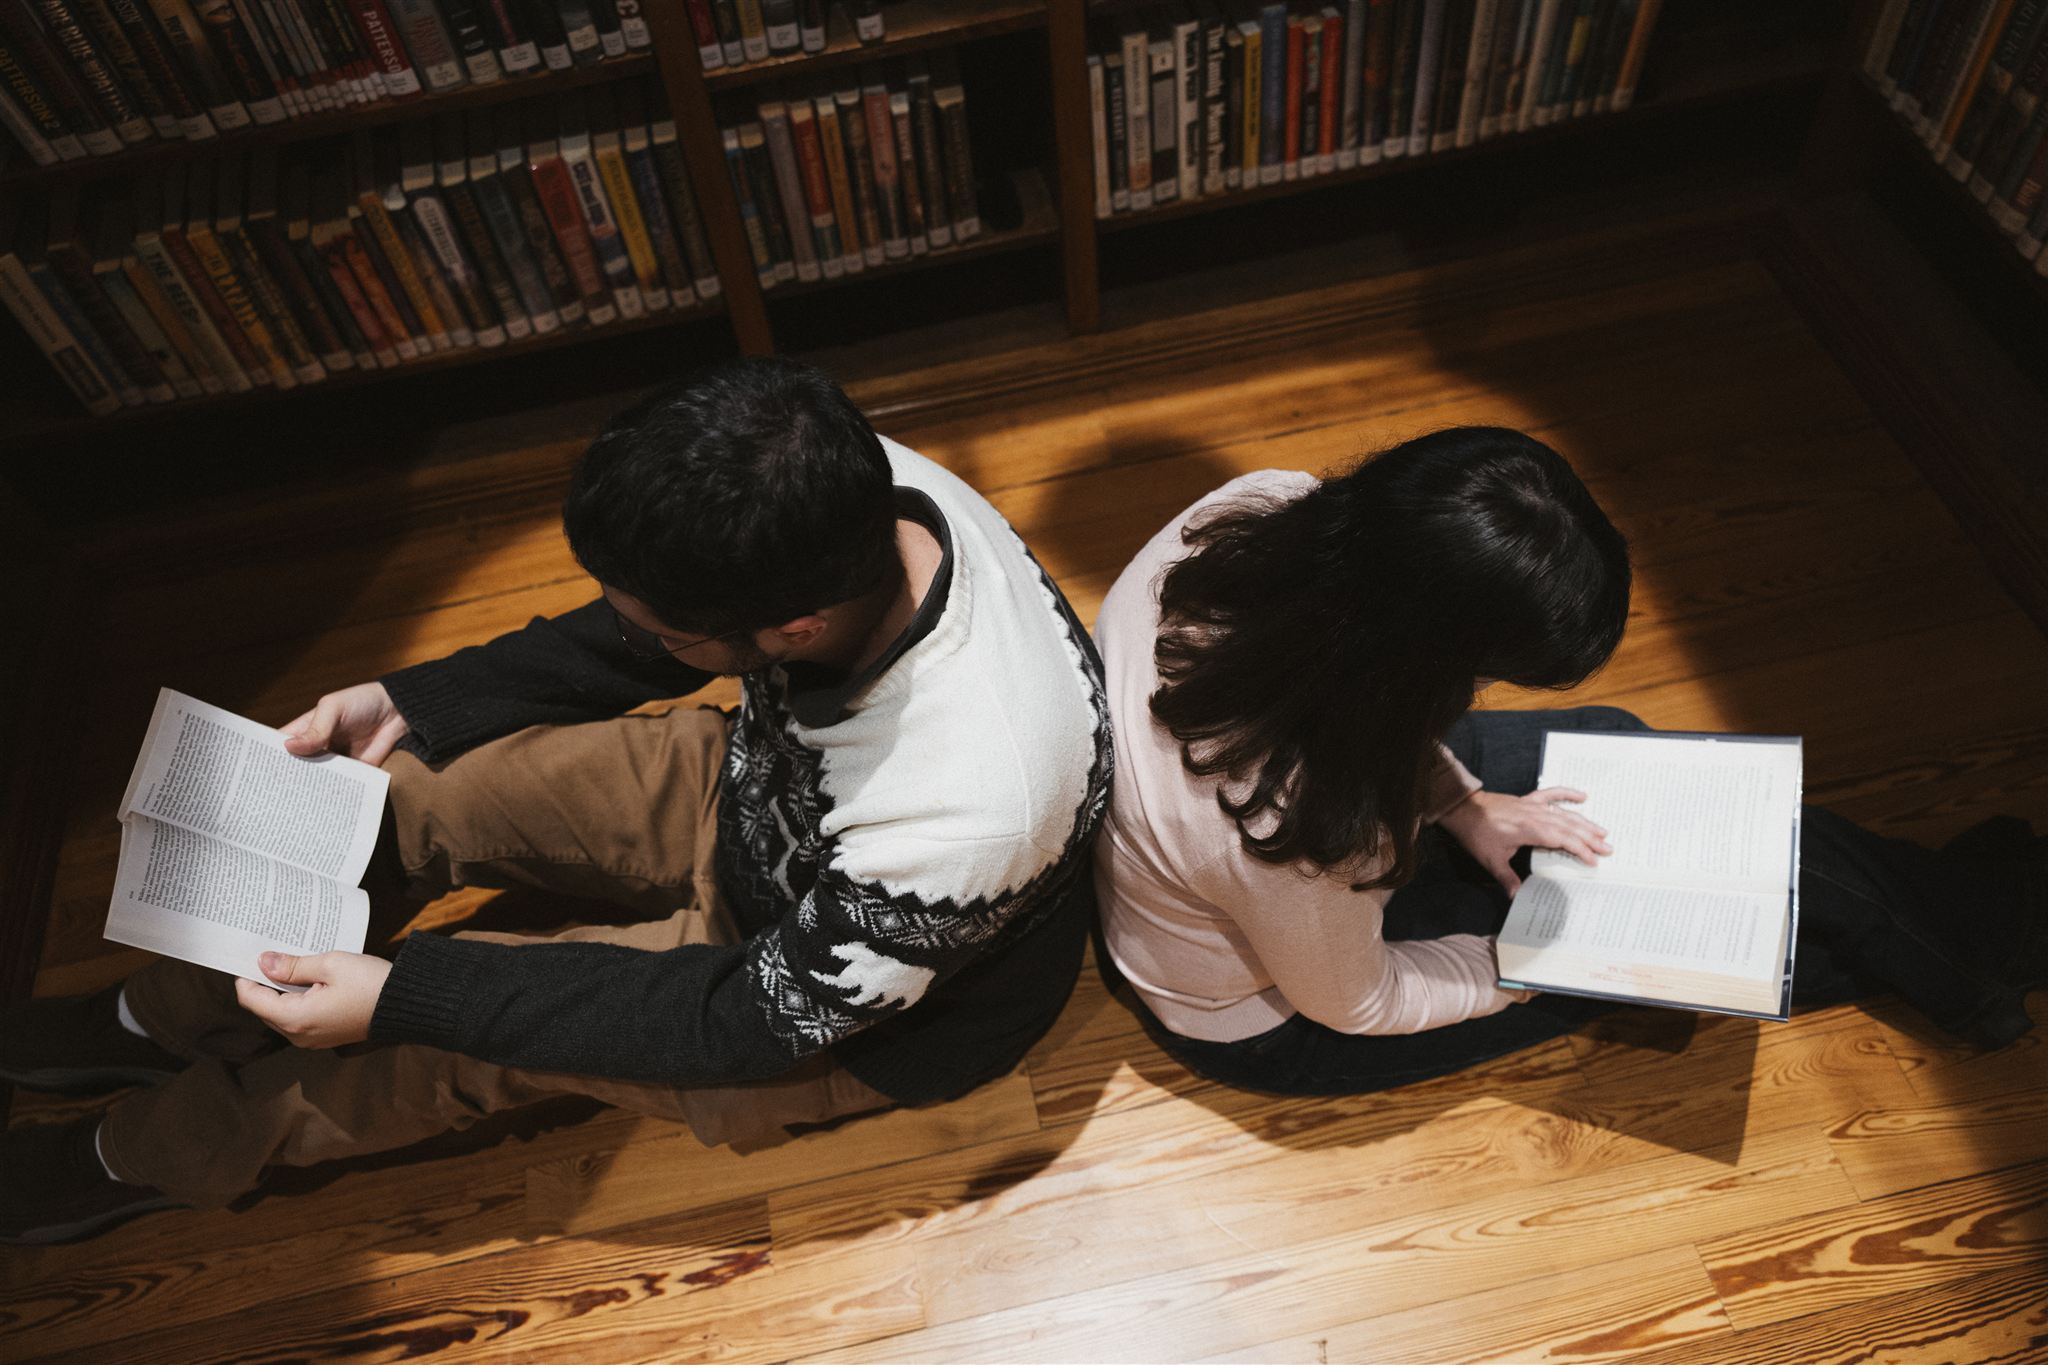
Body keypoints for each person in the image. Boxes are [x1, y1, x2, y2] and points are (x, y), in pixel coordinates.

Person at [0, 358, 1112, 1245]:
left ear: (794, 631)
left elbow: (732, 1021)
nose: (647, 636)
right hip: (753, 796)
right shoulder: (849, 481)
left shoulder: (971, 805)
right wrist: (414, 696)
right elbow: (646, 635)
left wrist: (406, 996)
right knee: (392, 799)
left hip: (824, 1001)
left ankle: (137, 1155)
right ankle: (168, 1015)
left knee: (430, 1053)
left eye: (674, 629)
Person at [1092, 426, 2044, 1096]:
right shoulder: (1300, 829)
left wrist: (1467, 805)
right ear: (1426, 663)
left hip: (1269, 824)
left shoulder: (1260, 512)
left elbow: (1349, 695)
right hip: (1272, 1013)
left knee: (1622, 757)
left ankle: (1963, 926)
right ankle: (1983, 936)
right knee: (1681, 939)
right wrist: (1534, 959)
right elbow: (1358, 1000)